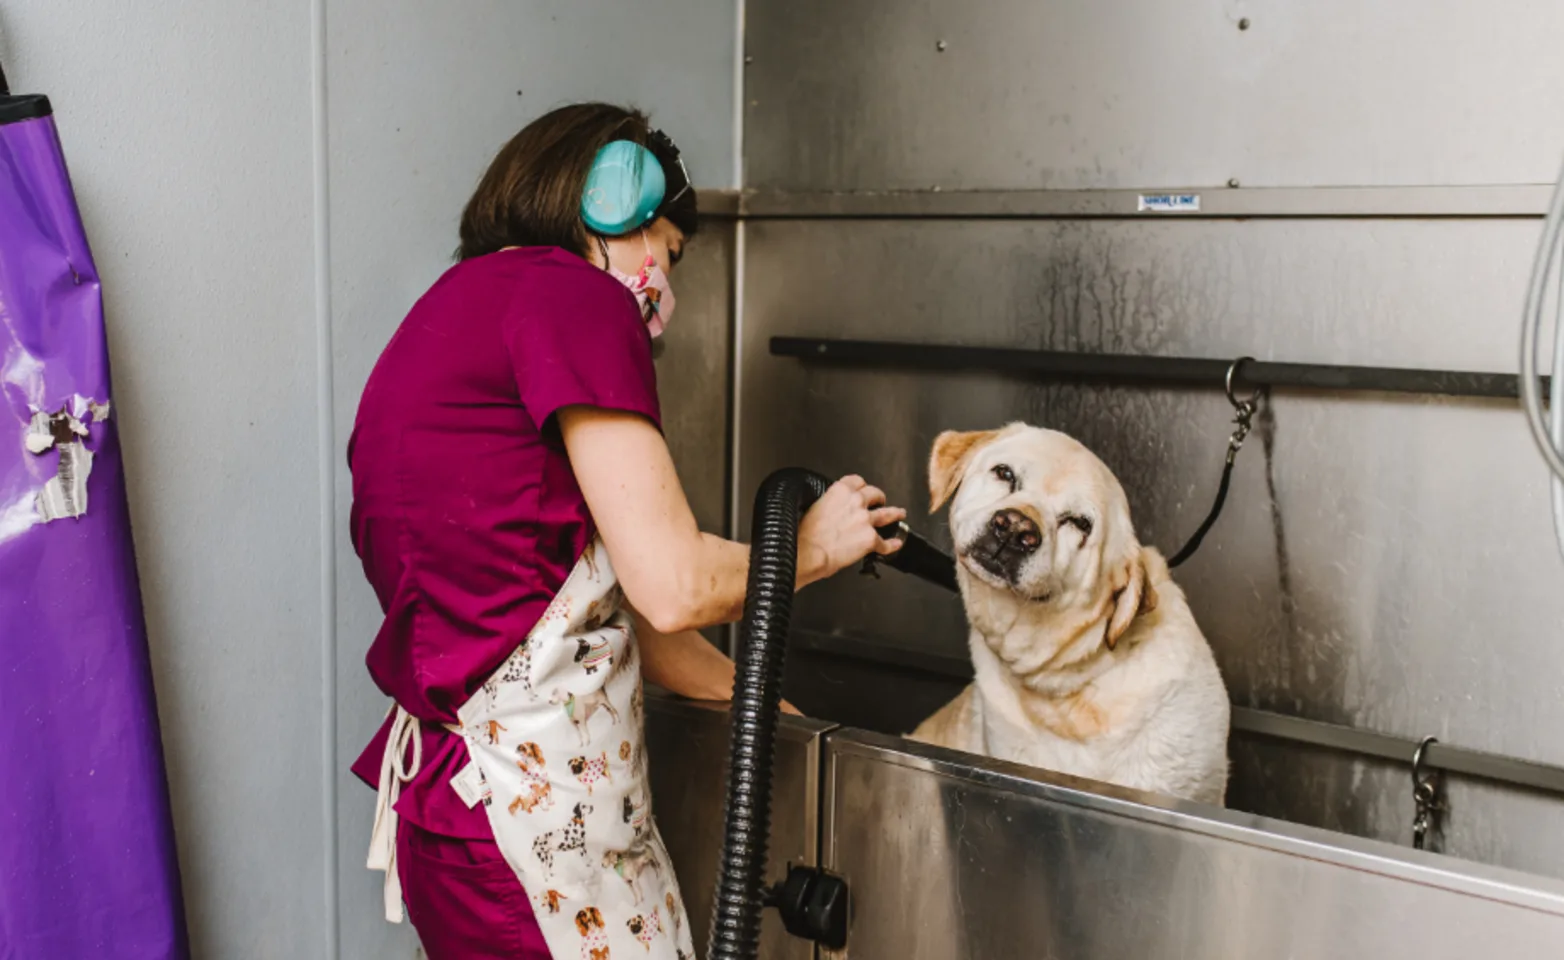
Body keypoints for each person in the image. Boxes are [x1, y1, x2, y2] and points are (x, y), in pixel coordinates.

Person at [347, 102, 905, 960]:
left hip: (454, 816)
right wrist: (821, 545)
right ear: (612, 203)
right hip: (536, 825)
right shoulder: (572, 294)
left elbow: (612, 618)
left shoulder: (455, 308)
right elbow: (674, 585)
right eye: (668, 253)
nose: (666, 295)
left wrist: (786, 720)